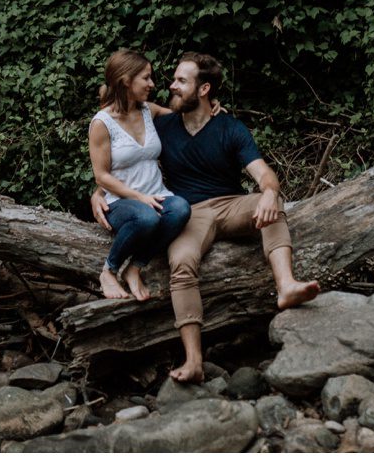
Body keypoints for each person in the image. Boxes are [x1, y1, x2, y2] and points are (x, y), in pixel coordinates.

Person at [93, 52, 320, 383]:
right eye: (172, 79)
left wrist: (270, 191)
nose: (170, 85)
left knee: (272, 205)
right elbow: (115, 135)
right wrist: (98, 193)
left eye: (181, 81)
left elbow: (263, 173)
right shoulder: (162, 123)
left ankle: (286, 285)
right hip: (187, 212)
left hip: (232, 204)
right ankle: (194, 360)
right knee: (181, 264)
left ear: (204, 89)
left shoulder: (229, 127)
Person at [89, 49, 192, 301]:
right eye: (145, 78)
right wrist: (137, 197)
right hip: (120, 202)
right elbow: (101, 176)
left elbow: (188, 117)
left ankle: (134, 267)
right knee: (147, 218)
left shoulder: (149, 110)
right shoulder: (102, 123)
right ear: (126, 80)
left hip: (156, 196)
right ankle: (108, 271)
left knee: (180, 208)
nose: (152, 84)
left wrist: (210, 105)